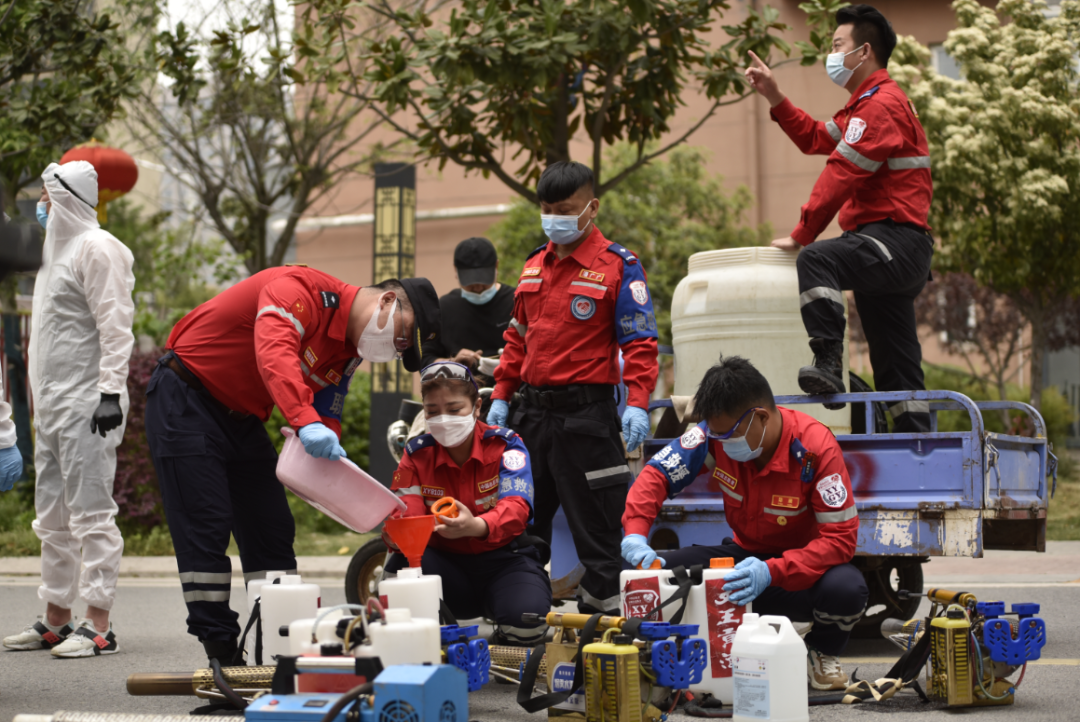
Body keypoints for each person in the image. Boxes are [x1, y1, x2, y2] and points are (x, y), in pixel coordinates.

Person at [144, 269, 440, 665]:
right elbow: (275, 352)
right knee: (206, 525)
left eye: (402, 350)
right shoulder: (301, 291)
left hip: (242, 417)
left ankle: (276, 647)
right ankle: (221, 654)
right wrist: (305, 420)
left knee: (271, 527)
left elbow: (328, 403)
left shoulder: (348, 352)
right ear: (388, 301)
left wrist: (335, 465)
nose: (395, 348)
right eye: (402, 337)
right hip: (186, 396)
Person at [621, 356, 867, 691]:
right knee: (646, 573)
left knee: (847, 590)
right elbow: (657, 475)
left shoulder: (815, 450)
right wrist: (636, 534)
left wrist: (772, 571)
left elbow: (840, 541)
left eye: (727, 435)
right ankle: (667, 655)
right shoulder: (715, 435)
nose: (720, 442)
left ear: (760, 417)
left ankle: (821, 651)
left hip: (799, 572)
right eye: (715, 434)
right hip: (741, 562)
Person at [745, 4, 934, 432]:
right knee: (895, 362)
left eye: (836, 45)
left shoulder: (880, 106)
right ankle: (919, 445)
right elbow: (815, 138)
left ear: (863, 51)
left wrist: (802, 234)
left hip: (894, 241)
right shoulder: (862, 107)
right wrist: (774, 95)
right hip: (896, 247)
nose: (831, 55)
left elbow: (842, 172)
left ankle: (827, 361)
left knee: (817, 260)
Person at [487, 161, 659, 614]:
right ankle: (521, 618)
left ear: (592, 207)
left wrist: (637, 403)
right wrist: (502, 395)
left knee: (599, 529)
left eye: (565, 210)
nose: (554, 218)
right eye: (547, 209)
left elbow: (640, 344)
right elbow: (516, 338)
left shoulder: (619, 267)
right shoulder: (533, 264)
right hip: (531, 416)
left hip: (586, 420)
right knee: (520, 523)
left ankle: (605, 630)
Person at [5, 161, 136, 657]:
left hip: (88, 403)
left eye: (46, 195)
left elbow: (115, 325)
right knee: (52, 517)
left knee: (92, 513)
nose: (40, 204)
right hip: (53, 406)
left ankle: (99, 624)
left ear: (66, 198)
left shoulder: (97, 248)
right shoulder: (52, 252)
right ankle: (56, 619)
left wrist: (110, 393)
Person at [384, 361, 550, 646]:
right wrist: (397, 533)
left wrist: (476, 525)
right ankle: (420, 640)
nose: (443, 419)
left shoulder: (506, 446)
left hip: (504, 561)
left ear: (476, 407)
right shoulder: (416, 455)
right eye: (432, 411)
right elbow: (406, 514)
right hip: (443, 566)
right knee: (398, 568)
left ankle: (504, 627)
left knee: (527, 625)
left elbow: (517, 507)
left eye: (454, 409)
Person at [421, 237, 515, 388]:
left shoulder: (517, 302)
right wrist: (453, 363)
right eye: (470, 283)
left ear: (496, 267)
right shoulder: (443, 308)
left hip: (514, 394)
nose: (478, 288)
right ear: (455, 271)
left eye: (484, 282)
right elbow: (424, 359)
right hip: (460, 396)